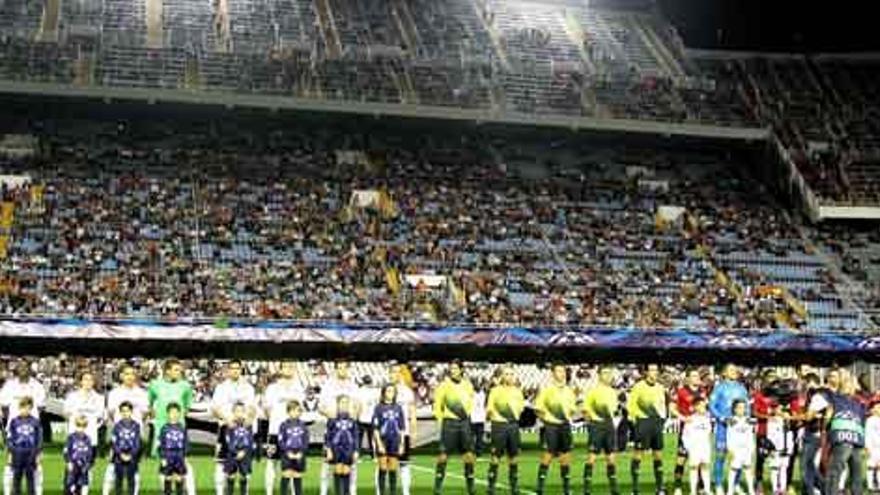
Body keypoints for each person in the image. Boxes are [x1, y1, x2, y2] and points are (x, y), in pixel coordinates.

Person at [211, 361, 257, 495]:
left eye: (238, 368)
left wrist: (249, 420)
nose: (235, 371)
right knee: (221, 463)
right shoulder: (221, 388)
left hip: (244, 431)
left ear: (241, 370)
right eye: (232, 368)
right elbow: (214, 408)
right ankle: (220, 492)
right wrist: (227, 420)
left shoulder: (248, 388)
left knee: (245, 464)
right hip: (226, 429)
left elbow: (253, 408)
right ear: (227, 370)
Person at [103, 365, 149, 495]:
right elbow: (112, 413)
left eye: (132, 374)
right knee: (112, 467)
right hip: (119, 437)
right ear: (121, 375)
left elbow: (145, 414)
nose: (130, 376)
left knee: (135, 468)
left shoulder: (142, 393)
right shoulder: (114, 393)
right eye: (127, 374)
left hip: (135, 437)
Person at [432, 360, 476, 495]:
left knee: (468, 455)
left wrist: (467, 418)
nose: (453, 371)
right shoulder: (443, 386)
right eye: (451, 368)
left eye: (455, 368)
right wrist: (442, 420)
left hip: (464, 423)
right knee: (443, 455)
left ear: (461, 370)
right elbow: (437, 405)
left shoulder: (468, 385)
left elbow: (470, 403)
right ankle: (437, 488)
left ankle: (471, 488)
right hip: (449, 423)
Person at [262, 362, 305, 495]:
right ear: (280, 369)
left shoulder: (298, 388)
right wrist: (277, 422)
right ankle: (269, 492)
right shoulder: (272, 388)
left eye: (291, 366)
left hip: (293, 434)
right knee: (271, 463)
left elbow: (300, 410)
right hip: (275, 431)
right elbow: (267, 410)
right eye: (286, 366)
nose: (289, 369)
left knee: (293, 464)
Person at [319, 362, 361, 495]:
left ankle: (350, 491)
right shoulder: (328, 385)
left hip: (348, 429)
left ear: (348, 369)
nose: (342, 370)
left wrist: (355, 414)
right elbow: (320, 406)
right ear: (335, 369)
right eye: (340, 367)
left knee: (350, 466)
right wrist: (330, 415)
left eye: (345, 367)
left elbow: (359, 405)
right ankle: (324, 491)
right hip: (333, 429)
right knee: (327, 464)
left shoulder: (353, 386)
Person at [534, 363, 576, 495]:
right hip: (551, 426)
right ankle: (540, 486)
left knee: (566, 456)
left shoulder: (569, 390)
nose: (561, 373)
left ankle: (566, 487)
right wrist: (548, 422)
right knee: (548, 455)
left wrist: (567, 417)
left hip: (565, 425)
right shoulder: (547, 390)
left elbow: (572, 409)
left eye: (563, 371)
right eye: (558, 371)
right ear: (552, 374)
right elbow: (538, 409)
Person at [709, 364, 749, 495]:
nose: (734, 372)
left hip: (738, 428)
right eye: (731, 370)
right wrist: (721, 418)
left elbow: (747, 406)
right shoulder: (719, 388)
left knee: (739, 456)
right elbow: (711, 405)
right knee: (721, 456)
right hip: (723, 428)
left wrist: (746, 419)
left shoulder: (741, 388)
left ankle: (735, 484)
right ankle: (719, 484)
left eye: (735, 370)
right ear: (724, 373)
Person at [627, 364, 667, 495]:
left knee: (658, 456)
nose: (654, 372)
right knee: (638, 455)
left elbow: (662, 405)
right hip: (643, 423)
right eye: (651, 370)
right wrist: (637, 421)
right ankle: (635, 489)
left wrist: (662, 420)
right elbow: (631, 405)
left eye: (656, 370)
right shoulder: (638, 387)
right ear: (646, 372)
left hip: (656, 424)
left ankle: (660, 488)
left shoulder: (660, 387)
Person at [485, 366, 524, 495]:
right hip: (499, 427)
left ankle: (514, 486)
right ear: (502, 376)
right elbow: (489, 409)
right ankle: (491, 486)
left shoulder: (518, 392)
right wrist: (498, 419)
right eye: (507, 374)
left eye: (511, 374)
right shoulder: (495, 391)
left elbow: (520, 409)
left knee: (513, 457)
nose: (509, 377)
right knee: (495, 456)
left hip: (513, 426)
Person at [824, 375, 866, 495]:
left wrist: (826, 428)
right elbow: (862, 422)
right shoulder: (859, 404)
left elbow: (828, 415)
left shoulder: (834, 399)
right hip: (857, 438)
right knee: (856, 472)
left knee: (834, 470)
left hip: (842, 437)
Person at [583, 366, 620, 495]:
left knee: (611, 458)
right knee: (592, 457)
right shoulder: (593, 391)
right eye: (605, 373)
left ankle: (614, 488)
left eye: (609, 373)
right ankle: (587, 488)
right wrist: (593, 424)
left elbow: (613, 411)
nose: (608, 376)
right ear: (599, 375)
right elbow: (586, 410)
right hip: (596, 426)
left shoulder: (612, 392)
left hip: (609, 425)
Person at [801, 370, 838, 495]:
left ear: (810, 382)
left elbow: (809, 416)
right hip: (827, 433)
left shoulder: (819, 394)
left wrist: (797, 416)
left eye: (805, 383)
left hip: (816, 432)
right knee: (815, 464)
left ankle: (823, 489)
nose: (804, 386)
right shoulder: (831, 394)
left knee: (807, 465)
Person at [672, 368, 704, 495]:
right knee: (681, 458)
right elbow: (672, 407)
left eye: (698, 376)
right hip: (687, 430)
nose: (697, 378)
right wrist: (683, 418)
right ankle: (677, 487)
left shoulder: (703, 392)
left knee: (700, 459)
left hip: (699, 431)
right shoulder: (681, 391)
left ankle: (701, 487)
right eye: (694, 376)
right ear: (688, 378)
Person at [387, 364, 416, 495]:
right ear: (389, 374)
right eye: (392, 372)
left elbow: (412, 413)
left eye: (398, 372)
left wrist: (414, 431)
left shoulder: (407, 391)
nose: (395, 375)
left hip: (403, 433)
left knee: (404, 464)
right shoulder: (385, 391)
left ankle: (406, 491)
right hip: (387, 433)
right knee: (385, 464)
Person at [372, 384, 405, 495]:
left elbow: (401, 428)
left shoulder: (398, 408)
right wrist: (379, 444)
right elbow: (375, 428)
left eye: (392, 391)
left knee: (392, 468)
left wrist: (401, 444)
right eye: (388, 391)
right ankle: (381, 492)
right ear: (384, 393)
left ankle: (393, 492)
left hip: (394, 441)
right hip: (383, 440)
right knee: (382, 468)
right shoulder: (378, 408)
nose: (390, 393)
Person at [5, 397, 42, 495]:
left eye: (28, 408)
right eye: (23, 408)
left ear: (31, 408)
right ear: (19, 408)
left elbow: (39, 439)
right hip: (17, 453)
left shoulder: (35, 422)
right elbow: (10, 439)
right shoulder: (14, 421)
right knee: (16, 478)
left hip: (31, 453)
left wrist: (38, 454)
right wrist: (10, 453)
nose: (25, 410)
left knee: (31, 478)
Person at [63, 372, 105, 455]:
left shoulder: (99, 398)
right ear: (81, 382)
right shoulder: (72, 396)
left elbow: (100, 415)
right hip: (75, 433)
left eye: (90, 380)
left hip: (91, 434)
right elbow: (66, 412)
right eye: (86, 379)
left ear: (93, 382)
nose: (88, 382)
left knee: (89, 463)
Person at [325, 396, 358, 495]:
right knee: (338, 470)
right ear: (338, 405)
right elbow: (328, 436)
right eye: (342, 403)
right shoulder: (332, 420)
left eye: (346, 403)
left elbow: (355, 436)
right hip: (336, 449)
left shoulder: (352, 420)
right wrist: (329, 450)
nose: (344, 405)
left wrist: (356, 451)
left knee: (346, 471)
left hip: (348, 449)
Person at [681, 396, 711, 495]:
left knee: (705, 467)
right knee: (694, 468)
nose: (704, 408)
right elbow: (685, 435)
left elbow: (708, 432)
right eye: (701, 406)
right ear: (695, 407)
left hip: (705, 447)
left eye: (704, 406)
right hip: (694, 448)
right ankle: (693, 491)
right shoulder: (690, 419)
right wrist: (689, 447)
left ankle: (707, 490)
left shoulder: (707, 418)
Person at [110, 402, 142, 495]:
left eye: (127, 411)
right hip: (119, 456)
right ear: (120, 412)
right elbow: (114, 442)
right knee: (118, 479)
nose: (125, 413)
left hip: (132, 456)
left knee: (131, 479)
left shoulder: (136, 426)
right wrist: (120, 454)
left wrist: (131, 454)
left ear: (131, 412)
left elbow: (137, 442)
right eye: (123, 411)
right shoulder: (117, 426)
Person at [752, 370, 776, 495]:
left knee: (779, 460)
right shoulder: (759, 395)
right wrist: (767, 416)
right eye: (770, 378)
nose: (772, 380)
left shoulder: (779, 395)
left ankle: (779, 486)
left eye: (774, 378)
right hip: (763, 431)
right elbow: (754, 412)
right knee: (761, 459)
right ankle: (759, 483)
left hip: (777, 432)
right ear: (765, 380)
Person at [224, 402, 256, 495]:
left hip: (245, 455)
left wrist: (244, 452)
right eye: (237, 411)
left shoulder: (248, 425)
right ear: (233, 413)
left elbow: (250, 441)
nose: (240, 413)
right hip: (232, 455)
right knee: (231, 476)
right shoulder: (230, 426)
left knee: (243, 476)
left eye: (242, 411)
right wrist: (235, 452)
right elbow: (228, 441)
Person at [277, 401, 309, 495]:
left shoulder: (303, 425)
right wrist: (287, 453)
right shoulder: (283, 425)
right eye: (294, 410)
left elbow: (306, 441)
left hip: (299, 454)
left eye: (298, 411)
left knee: (297, 476)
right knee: (286, 475)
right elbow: (281, 441)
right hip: (287, 454)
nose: (296, 413)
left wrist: (301, 453)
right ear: (288, 412)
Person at [726, 400, 756, 495]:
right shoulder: (731, 421)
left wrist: (751, 448)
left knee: (748, 469)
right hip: (736, 449)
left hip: (746, 449)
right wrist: (730, 449)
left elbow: (750, 435)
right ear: (734, 409)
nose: (741, 410)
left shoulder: (749, 420)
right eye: (739, 407)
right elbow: (729, 435)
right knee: (733, 469)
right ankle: (730, 490)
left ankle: (751, 490)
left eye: (744, 407)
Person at [158, 403, 188, 495]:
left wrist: (185, 456)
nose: (174, 415)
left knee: (179, 478)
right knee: (168, 477)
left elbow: (185, 443)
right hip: (168, 454)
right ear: (167, 414)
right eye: (171, 413)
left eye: (176, 413)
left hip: (179, 455)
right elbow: (161, 444)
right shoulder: (164, 428)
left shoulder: (182, 428)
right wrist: (162, 457)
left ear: (179, 414)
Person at [766, 401, 793, 495]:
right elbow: (769, 436)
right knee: (774, 469)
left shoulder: (787, 421)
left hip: (785, 447)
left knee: (783, 469)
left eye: (781, 409)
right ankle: (775, 489)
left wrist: (789, 448)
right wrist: (771, 449)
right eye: (777, 408)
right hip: (775, 449)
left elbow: (790, 435)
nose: (780, 411)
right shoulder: (772, 420)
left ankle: (783, 488)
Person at [64, 416, 96, 495]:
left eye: (83, 426)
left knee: (83, 485)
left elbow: (90, 453)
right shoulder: (71, 438)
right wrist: (68, 462)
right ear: (75, 425)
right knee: (70, 487)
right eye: (78, 426)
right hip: (73, 466)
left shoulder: (88, 439)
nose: (80, 429)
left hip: (83, 467)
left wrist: (89, 464)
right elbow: (66, 451)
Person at [865, 401, 880, 492]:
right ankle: (870, 485)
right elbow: (867, 434)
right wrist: (868, 446)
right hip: (873, 446)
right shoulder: (870, 420)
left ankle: (878, 485)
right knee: (871, 465)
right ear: (873, 410)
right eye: (877, 407)